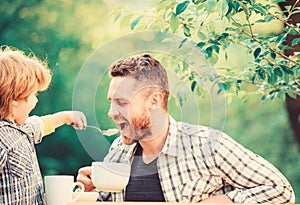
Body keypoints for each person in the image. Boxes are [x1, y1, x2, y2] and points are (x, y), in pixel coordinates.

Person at [77, 53, 295, 203]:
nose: (111, 112)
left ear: (154, 101)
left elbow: (281, 190)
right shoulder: (118, 151)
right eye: (111, 101)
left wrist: (224, 201)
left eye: (122, 103)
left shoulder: (207, 145)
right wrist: (89, 193)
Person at [0, 46, 87, 205]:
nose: (36, 100)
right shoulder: (2, 138)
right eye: (34, 94)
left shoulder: (22, 128)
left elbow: (40, 124)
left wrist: (65, 116)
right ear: (14, 99)